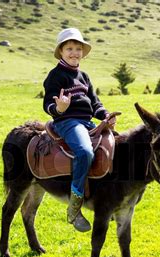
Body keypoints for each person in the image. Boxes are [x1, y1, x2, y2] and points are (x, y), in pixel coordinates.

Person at [43, 28, 116, 232]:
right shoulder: (55, 75)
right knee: (84, 152)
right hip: (68, 122)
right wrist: (59, 108)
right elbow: (48, 103)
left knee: (117, 145)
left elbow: (95, 103)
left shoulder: (84, 76)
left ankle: (109, 198)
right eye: (69, 48)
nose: (74, 52)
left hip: (87, 122)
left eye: (78, 48)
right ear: (61, 51)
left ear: (83, 52)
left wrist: (105, 116)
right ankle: (74, 208)